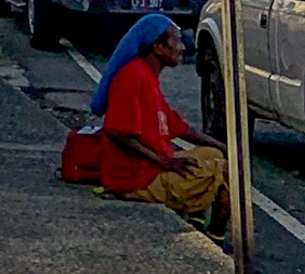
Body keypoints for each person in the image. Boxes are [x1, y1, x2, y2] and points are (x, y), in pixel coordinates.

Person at [92, 14, 226, 231]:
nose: (182, 47)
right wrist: (163, 162)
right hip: (136, 179)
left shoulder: (148, 75)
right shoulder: (133, 77)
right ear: (157, 47)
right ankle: (215, 236)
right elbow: (118, 132)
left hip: (153, 167)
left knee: (214, 155)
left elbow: (180, 127)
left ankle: (195, 216)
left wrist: (224, 147)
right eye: (176, 41)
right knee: (225, 172)